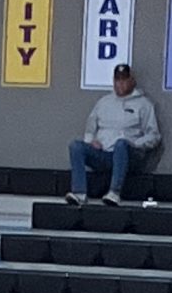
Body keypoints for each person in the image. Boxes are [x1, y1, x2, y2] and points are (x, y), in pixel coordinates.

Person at [67, 63, 161, 207]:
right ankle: (79, 193)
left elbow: (154, 136)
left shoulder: (144, 104)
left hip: (129, 154)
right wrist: (91, 140)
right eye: (117, 80)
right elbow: (90, 128)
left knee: (121, 144)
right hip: (105, 154)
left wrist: (134, 144)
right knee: (76, 146)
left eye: (124, 80)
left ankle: (114, 192)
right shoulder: (104, 102)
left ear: (131, 81)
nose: (120, 84)